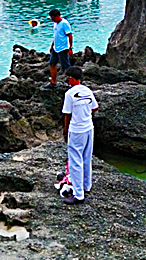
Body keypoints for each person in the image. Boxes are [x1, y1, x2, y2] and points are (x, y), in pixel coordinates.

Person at [61, 66, 97, 205]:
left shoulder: (70, 94)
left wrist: (66, 131)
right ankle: (86, 185)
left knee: (75, 161)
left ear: (71, 78)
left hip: (77, 130)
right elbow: (94, 107)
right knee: (87, 157)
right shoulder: (87, 90)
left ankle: (78, 195)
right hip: (89, 128)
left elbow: (67, 114)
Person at [46, 9, 73, 87]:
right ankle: (53, 82)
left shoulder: (64, 23)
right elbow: (56, 36)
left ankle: (72, 83)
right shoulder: (55, 24)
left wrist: (70, 48)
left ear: (58, 16)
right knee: (52, 64)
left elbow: (70, 35)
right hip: (55, 48)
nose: (52, 20)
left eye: (53, 18)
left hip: (63, 48)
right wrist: (52, 45)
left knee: (66, 67)